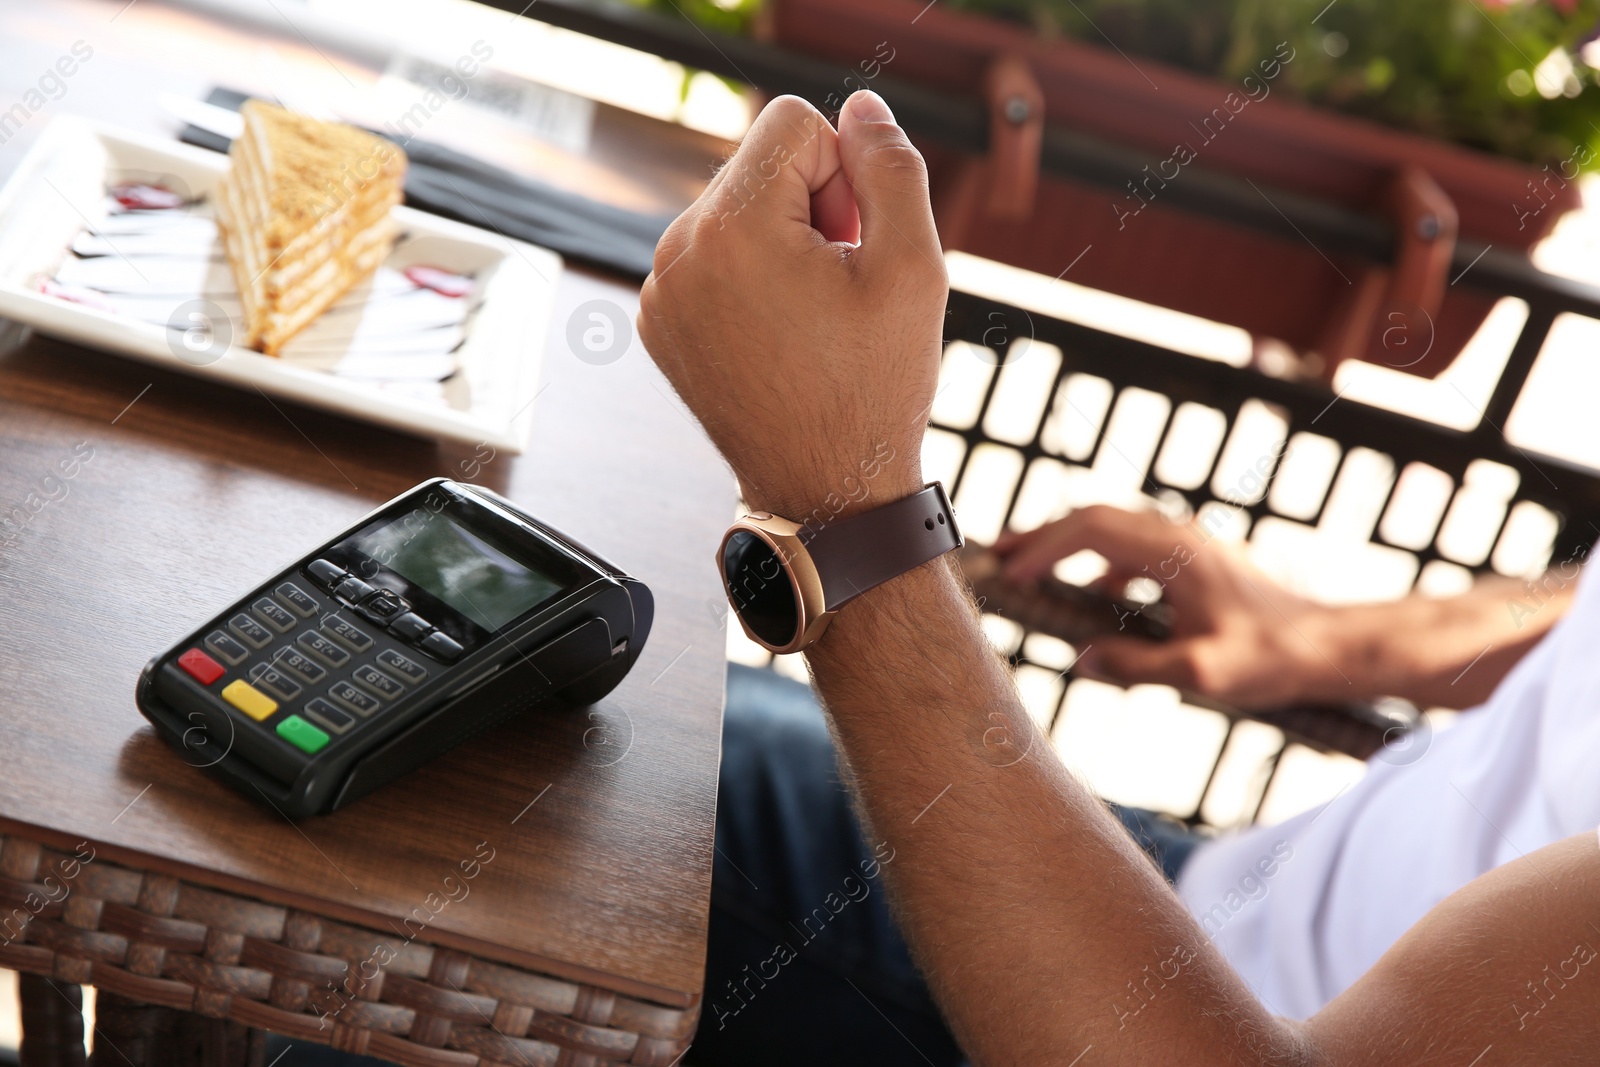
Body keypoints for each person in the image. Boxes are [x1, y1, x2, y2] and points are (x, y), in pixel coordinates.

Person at [638, 89, 1600, 1065]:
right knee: (657, 719)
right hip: (1213, 896)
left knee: (632, 772)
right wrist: (1325, 639)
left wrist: (846, 519)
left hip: (1147, 1021)